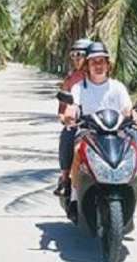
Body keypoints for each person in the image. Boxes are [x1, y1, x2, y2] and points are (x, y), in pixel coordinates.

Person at [59, 41, 137, 130]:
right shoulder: (78, 88)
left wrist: (136, 118)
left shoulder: (118, 87)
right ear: (87, 66)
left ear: (108, 65)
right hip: (88, 133)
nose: (98, 66)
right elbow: (72, 107)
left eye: (101, 61)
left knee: (132, 137)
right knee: (67, 134)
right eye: (93, 62)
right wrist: (69, 115)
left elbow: (127, 109)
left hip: (116, 133)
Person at [53, 38, 91, 196]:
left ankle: (129, 179)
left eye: (79, 55)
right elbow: (63, 106)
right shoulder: (71, 79)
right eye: (73, 55)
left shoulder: (101, 75)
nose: (76, 59)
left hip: (102, 122)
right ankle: (65, 178)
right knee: (67, 136)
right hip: (80, 123)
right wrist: (65, 117)